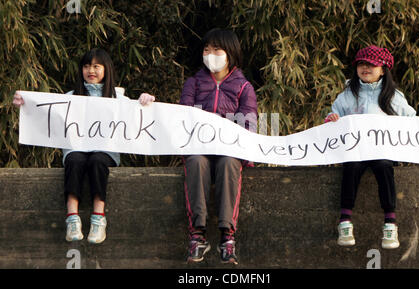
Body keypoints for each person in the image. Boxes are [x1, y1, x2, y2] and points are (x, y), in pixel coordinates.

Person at [13, 48, 155, 244]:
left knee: (97, 161)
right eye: (87, 66)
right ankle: (72, 218)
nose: (91, 70)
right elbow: (49, 113)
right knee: (74, 160)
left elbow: (136, 114)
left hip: (105, 151)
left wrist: (145, 100)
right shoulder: (71, 96)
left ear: (106, 69)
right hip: (76, 148)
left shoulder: (117, 98)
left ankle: (99, 218)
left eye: (97, 66)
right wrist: (26, 103)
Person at [325, 45, 416, 249]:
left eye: (371, 65)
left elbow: (412, 120)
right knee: (351, 167)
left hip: (382, 152)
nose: (365, 68)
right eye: (361, 64)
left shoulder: (393, 96)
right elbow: (334, 115)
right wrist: (332, 119)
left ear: (383, 69)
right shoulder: (348, 94)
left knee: (385, 168)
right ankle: (345, 220)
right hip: (356, 151)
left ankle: (390, 223)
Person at [180, 28, 258, 264]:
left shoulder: (244, 87)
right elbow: (183, 117)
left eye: (216, 49)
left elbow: (249, 123)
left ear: (230, 53)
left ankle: (227, 236)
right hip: (199, 148)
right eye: (206, 49)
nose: (210, 53)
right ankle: (197, 234)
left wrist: (247, 154)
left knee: (228, 165)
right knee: (195, 162)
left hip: (228, 151)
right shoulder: (193, 83)